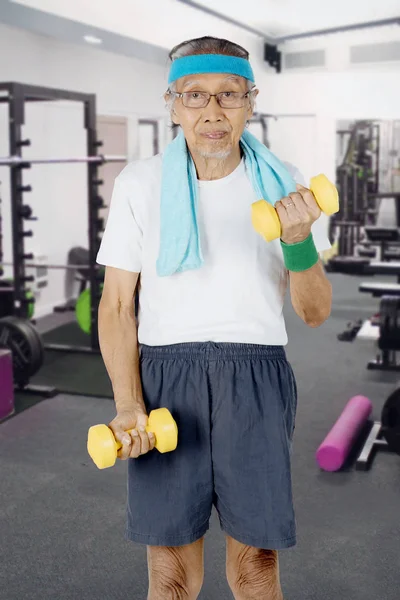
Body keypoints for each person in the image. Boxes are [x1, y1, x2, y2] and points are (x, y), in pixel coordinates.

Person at [96, 36, 332, 600]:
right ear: (173, 103)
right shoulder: (139, 183)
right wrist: (130, 404)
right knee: (171, 579)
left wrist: (298, 241)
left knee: (256, 573)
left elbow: (315, 311)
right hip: (165, 381)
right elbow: (116, 305)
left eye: (229, 95)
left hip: (255, 378)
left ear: (250, 103)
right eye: (195, 95)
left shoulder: (286, 185)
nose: (212, 112)